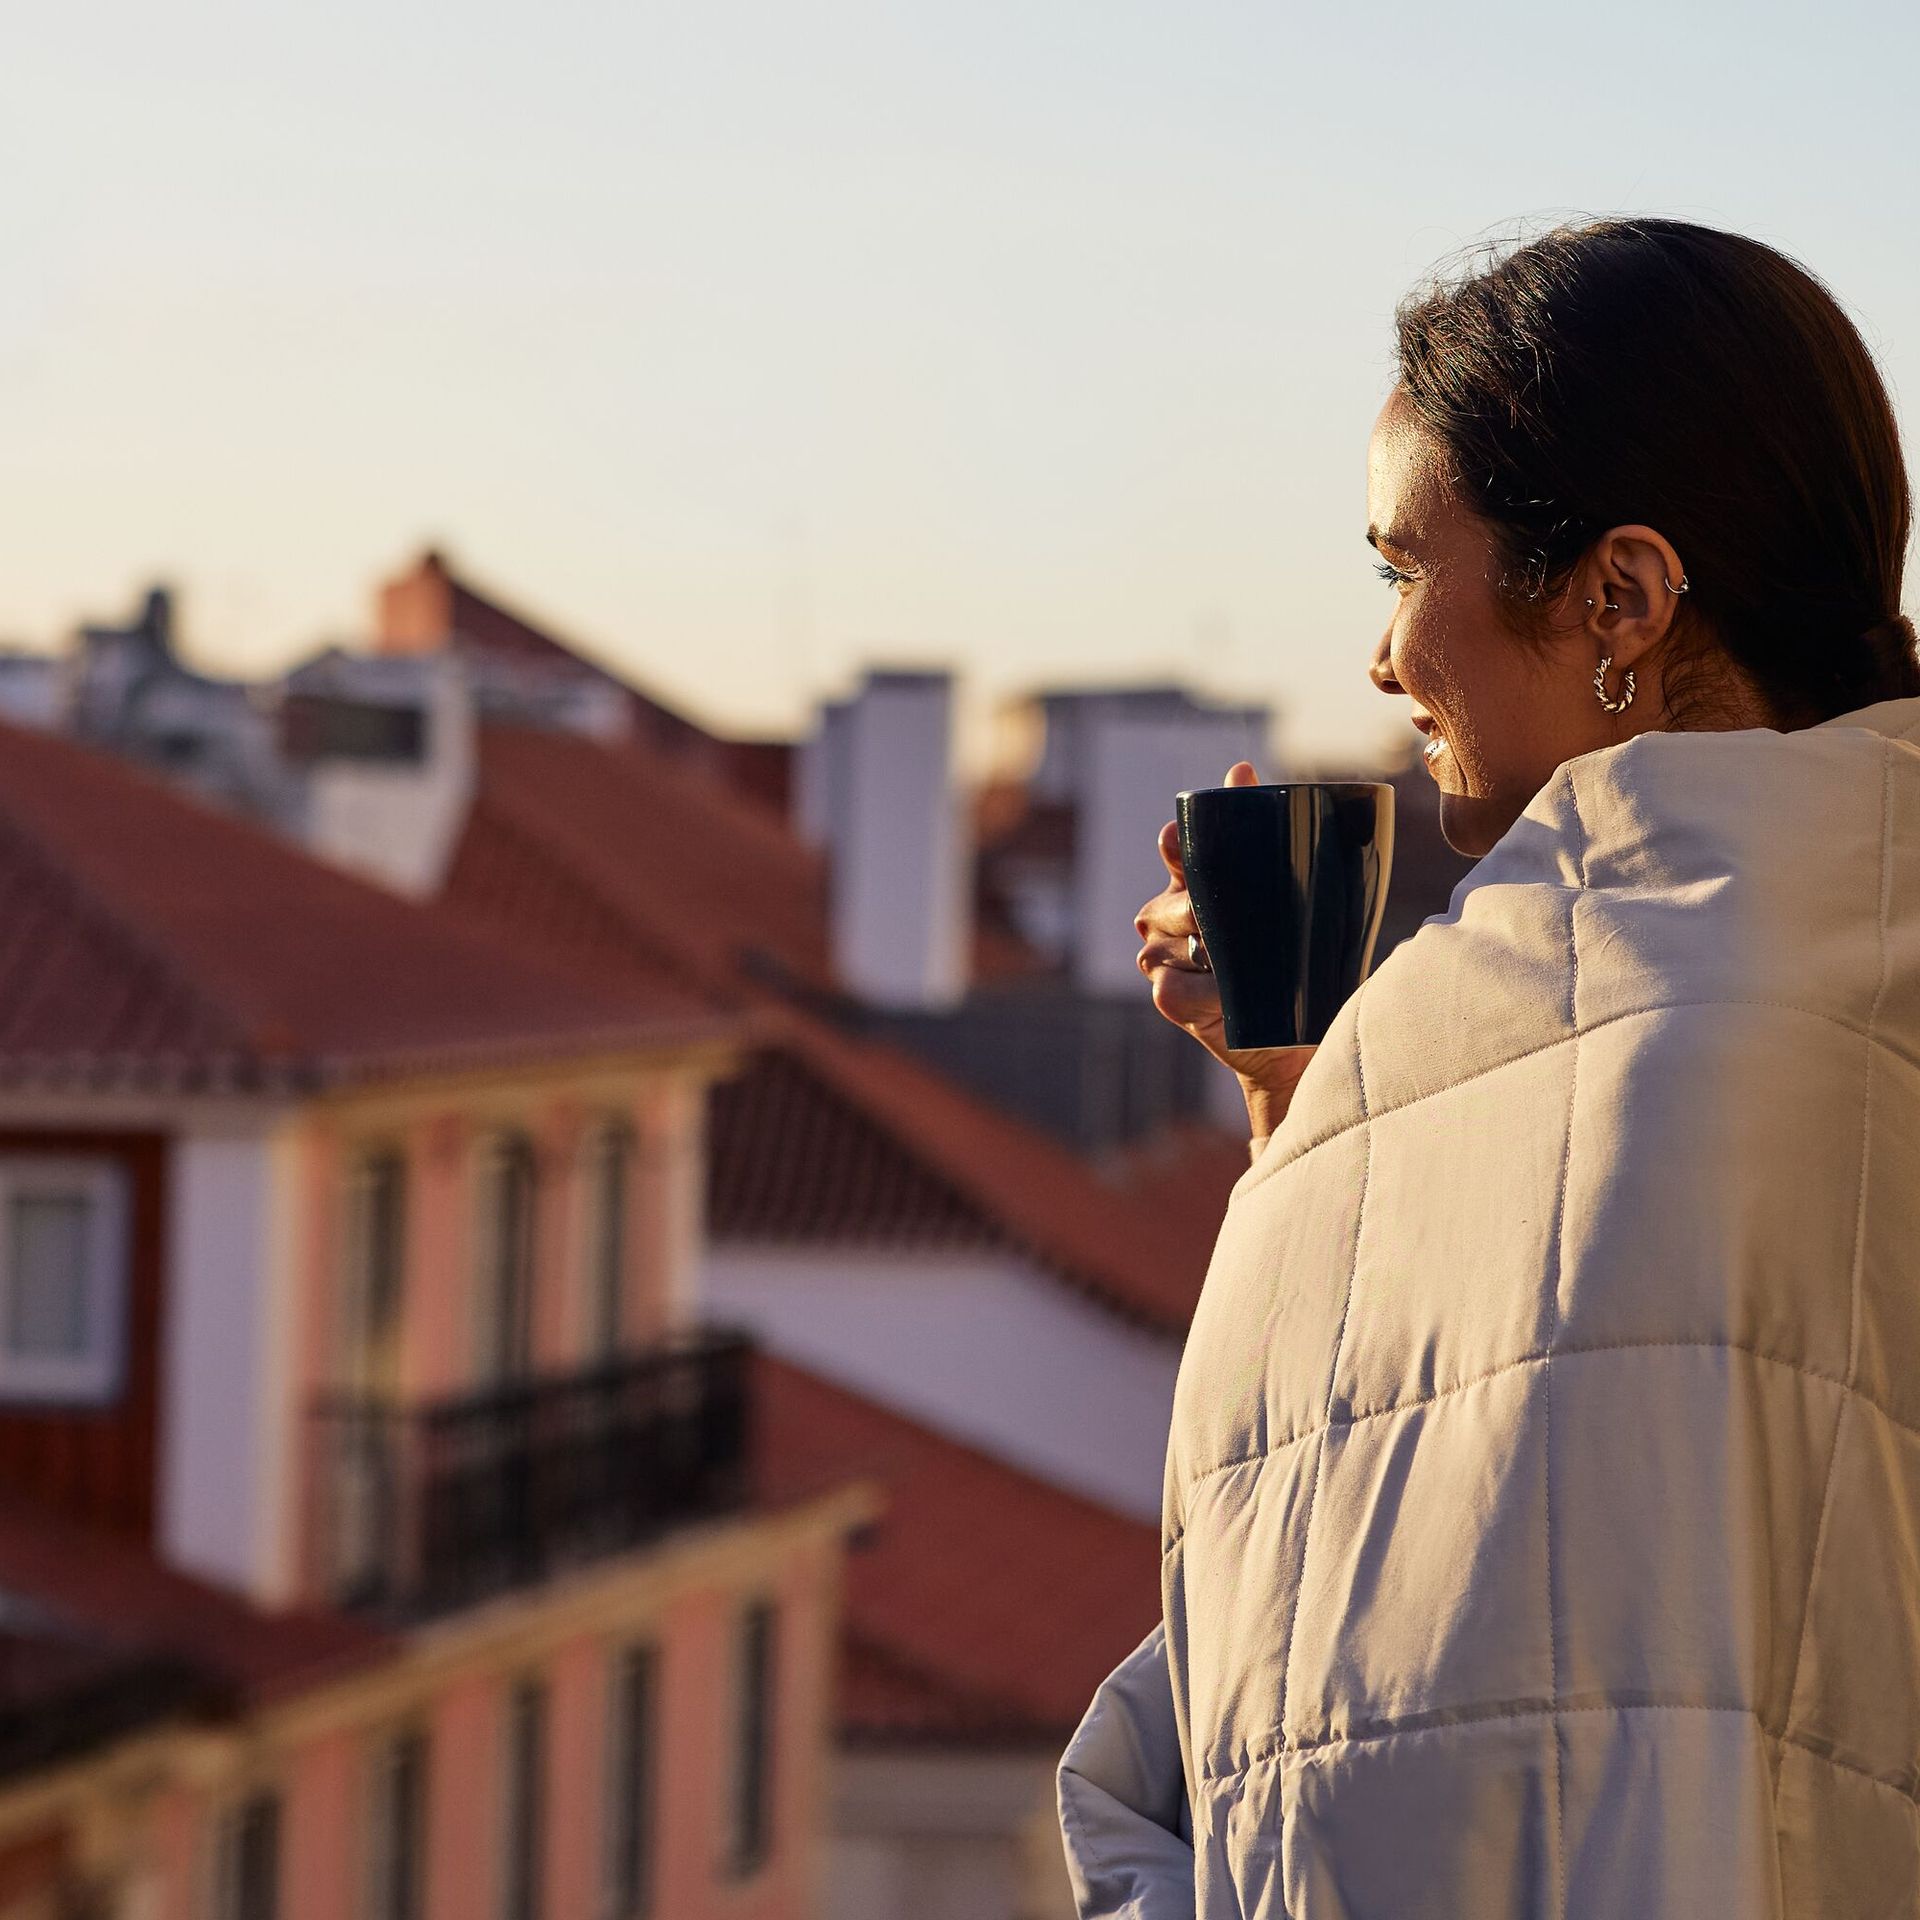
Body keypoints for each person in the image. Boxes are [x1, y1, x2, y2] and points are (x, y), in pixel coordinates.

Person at [1059, 217, 1920, 1917]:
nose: (1383, 658)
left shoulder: (1663, 1042)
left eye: (1402, 570)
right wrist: (1312, 1114)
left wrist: (1346, 1139)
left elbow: (1322, 1720)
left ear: (1621, 598)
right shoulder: (1774, 995)